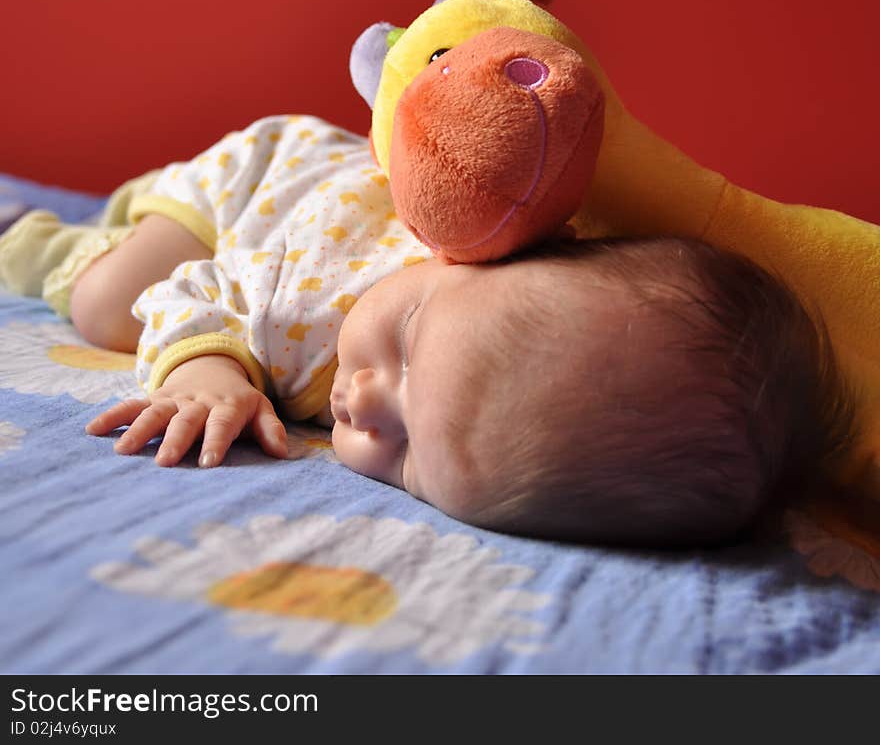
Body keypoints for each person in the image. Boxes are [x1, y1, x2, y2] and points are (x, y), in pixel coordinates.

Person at [0, 115, 857, 546]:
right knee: (111, 303)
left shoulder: (491, 351)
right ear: (473, 262)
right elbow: (198, 286)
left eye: (407, 450)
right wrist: (209, 365)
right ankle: (31, 241)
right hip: (254, 183)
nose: (363, 403)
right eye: (407, 342)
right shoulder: (302, 315)